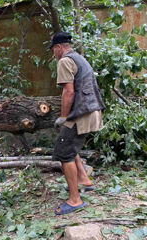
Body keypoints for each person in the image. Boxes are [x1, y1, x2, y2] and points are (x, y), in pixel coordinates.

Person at [48, 32, 105, 215]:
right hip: (91, 110)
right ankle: (83, 180)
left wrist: (63, 117)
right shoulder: (79, 58)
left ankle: (74, 200)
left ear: (58, 47)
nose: (53, 55)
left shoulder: (64, 61)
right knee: (71, 146)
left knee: (64, 153)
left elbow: (69, 92)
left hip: (81, 114)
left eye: (53, 50)